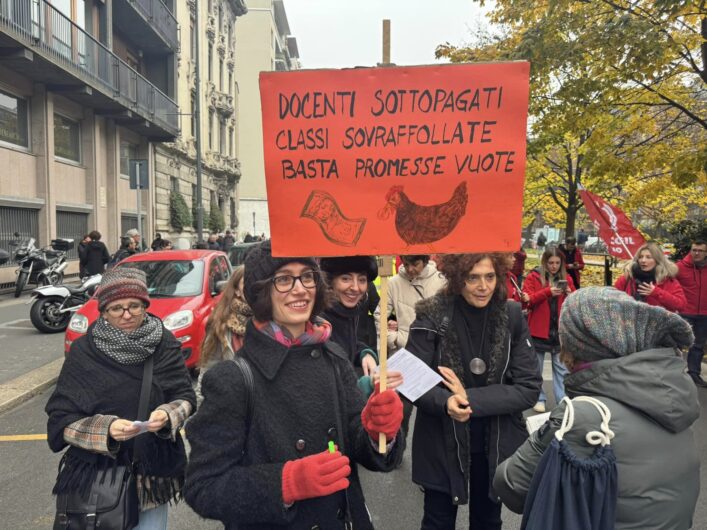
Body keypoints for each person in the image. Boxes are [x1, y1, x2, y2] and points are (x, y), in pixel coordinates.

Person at [184, 240, 405, 529]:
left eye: (307, 276)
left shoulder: (334, 357)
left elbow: (359, 446)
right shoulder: (232, 379)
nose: (300, 289)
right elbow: (202, 486)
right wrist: (285, 483)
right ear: (261, 290)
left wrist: (379, 433)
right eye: (284, 279)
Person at [493, 287, 700, 530]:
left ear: (581, 346)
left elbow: (510, 485)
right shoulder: (672, 392)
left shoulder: (584, 416)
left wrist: (544, 437)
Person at [45, 268, 196, 528]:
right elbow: (61, 420)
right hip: (97, 479)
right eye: (117, 308)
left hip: (152, 475)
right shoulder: (84, 352)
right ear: (103, 311)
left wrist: (168, 414)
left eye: (134, 306)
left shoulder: (165, 343)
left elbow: (185, 396)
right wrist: (105, 429)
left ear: (145, 305)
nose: (127, 315)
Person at [405, 253, 541, 530]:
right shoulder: (432, 314)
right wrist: (446, 402)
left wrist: (468, 398)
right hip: (442, 439)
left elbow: (528, 387)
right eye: (473, 278)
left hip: (494, 440)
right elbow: (411, 377)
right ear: (458, 279)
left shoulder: (511, 314)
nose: (484, 286)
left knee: (488, 521)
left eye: (490, 277)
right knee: (437, 521)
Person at [374, 254, 446, 434]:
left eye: (415, 264)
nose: (410, 268)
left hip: (434, 356)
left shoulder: (440, 282)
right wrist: (393, 338)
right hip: (404, 355)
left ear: (425, 260)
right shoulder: (393, 283)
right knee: (400, 411)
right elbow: (380, 314)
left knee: (433, 408)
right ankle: (397, 448)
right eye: (406, 264)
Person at [522, 247, 576, 413]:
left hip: (559, 332)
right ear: (545, 263)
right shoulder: (533, 277)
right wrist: (547, 292)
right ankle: (539, 398)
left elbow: (574, 302)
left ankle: (562, 401)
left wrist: (569, 292)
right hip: (538, 331)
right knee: (536, 369)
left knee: (562, 370)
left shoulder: (566, 277)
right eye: (550, 263)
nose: (553, 266)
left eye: (557, 263)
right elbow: (528, 301)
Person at [195, 265, 251, 404]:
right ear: (237, 290)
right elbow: (208, 373)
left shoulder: (275, 319)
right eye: (247, 283)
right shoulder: (221, 323)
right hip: (235, 407)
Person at [319, 256, 380, 377]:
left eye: (362, 280)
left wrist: (364, 353)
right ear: (330, 281)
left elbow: (348, 345)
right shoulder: (320, 320)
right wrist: (367, 385)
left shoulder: (348, 311)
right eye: (346, 279)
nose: (355, 288)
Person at [614, 241, 686, 312]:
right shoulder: (628, 277)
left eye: (648, 257)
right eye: (641, 257)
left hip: (659, 322)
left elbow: (681, 305)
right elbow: (613, 298)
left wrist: (656, 292)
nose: (643, 260)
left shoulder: (667, 280)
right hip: (630, 322)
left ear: (657, 260)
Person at [676, 237, 707, 387]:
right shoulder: (680, 267)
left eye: (700, 251)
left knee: (698, 345)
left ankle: (694, 374)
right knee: (678, 344)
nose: (697, 253)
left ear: (705, 253)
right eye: (694, 250)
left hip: (704, 313)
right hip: (685, 312)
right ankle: (675, 373)